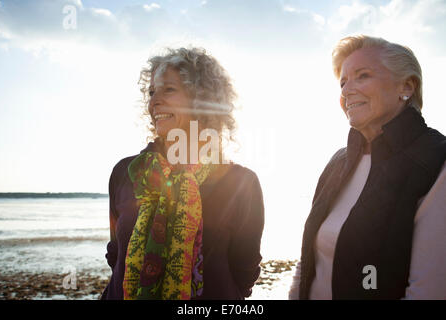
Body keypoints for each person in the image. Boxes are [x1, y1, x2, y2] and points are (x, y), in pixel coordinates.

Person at [289, 35, 446, 300]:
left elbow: (428, 291)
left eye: (362, 76)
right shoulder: (337, 162)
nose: (347, 90)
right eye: (343, 82)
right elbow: (307, 262)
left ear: (406, 86)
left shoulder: (436, 160)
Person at [101, 47, 264, 300]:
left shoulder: (239, 183)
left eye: (168, 89)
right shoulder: (127, 172)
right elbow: (115, 254)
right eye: (152, 91)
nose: (154, 101)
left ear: (201, 99)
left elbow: (245, 270)